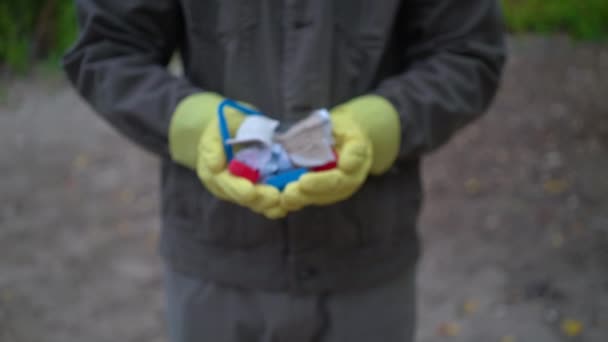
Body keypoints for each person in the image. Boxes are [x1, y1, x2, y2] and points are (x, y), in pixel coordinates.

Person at [63, 0, 506, 341]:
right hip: (214, 270)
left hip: (368, 269)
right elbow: (107, 49)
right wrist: (196, 125)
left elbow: (467, 52)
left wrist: (378, 127)